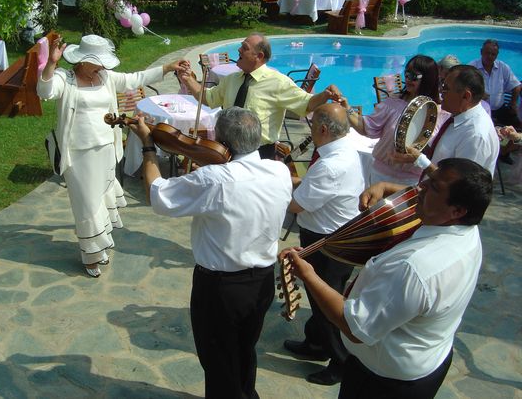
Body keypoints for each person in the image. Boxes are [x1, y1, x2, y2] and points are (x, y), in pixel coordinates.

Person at [280, 157, 493, 399]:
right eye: (428, 179)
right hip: (429, 360)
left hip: (385, 382)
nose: (420, 187)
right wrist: (386, 186)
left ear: (457, 211)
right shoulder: (466, 230)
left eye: (433, 186)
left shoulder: (414, 268)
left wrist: (308, 275)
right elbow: (419, 194)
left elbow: (354, 326)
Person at [129, 107, 292, 399]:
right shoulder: (279, 171)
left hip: (221, 288)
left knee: (219, 362)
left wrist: (148, 145)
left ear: (222, 142)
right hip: (262, 282)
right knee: (244, 349)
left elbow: (157, 193)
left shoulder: (214, 180)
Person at [37, 34, 186, 278]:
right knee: (86, 204)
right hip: (78, 154)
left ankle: (99, 245)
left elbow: (135, 78)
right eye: (97, 62)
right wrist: (52, 63)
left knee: (98, 200)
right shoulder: (66, 78)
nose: (102, 66)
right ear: (83, 60)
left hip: (106, 149)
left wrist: (167, 67)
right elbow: (45, 91)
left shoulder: (105, 77)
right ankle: (91, 254)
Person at [283, 103, 365, 386]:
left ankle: (340, 362)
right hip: (334, 236)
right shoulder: (343, 150)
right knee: (319, 297)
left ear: (323, 129)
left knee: (326, 303)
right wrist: (288, 178)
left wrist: (268, 188)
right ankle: (316, 343)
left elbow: (296, 205)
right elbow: (312, 186)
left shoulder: (330, 165)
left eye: (312, 126)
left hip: (326, 242)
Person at [178, 32, 341, 159]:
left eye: (244, 48)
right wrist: (188, 79)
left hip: (260, 154)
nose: (239, 50)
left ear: (259, 56)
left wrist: (325, 94)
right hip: (226, 150)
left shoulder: (278, 82)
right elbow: (208, 98)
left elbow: (307, 104)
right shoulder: (232, 79)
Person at [338, 55, 441, 185]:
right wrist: (347, 108)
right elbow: (366, 128)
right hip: (380, 174)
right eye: (407, 74)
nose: (408, 79)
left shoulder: (438, 113)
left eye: (414, 76)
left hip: (412, 181)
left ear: (428, 79)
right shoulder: (393, 103)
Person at [393, 65, 499, 179]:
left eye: (445, 88)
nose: (441, 92)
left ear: (465, 96)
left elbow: (458, 184)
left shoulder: (475, 136)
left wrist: (420, 160)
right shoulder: (458, 117)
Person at [469, 39, 521, 127]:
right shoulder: (472, 67)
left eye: (493, 54)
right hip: (479, 110)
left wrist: (513, 103)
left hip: (499, 110)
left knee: (517, 125)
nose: (489, 56)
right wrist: (477, 94)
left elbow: (517, 86)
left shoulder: (503, 67)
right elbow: (463, 87)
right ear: (481, 52)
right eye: (487, 53)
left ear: (497, 55)